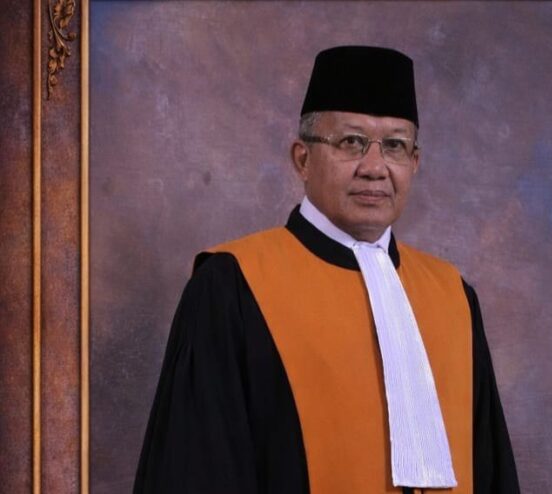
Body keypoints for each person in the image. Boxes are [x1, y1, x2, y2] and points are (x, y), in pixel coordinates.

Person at [134, 46, 519, 494]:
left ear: (414, 163)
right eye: (350, 142)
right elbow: (196, 473)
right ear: (302, 159)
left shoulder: (453, 295)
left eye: (395, 146)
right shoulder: (231, 286)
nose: (374, 168)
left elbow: (492, 474)